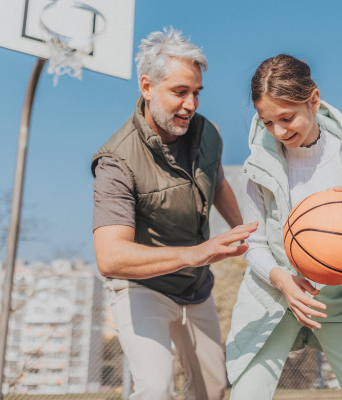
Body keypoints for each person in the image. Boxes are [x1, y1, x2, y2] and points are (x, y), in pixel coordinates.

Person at [91, 27, 256, 400]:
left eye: (197, 92)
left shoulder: (208, 133)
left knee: (212, 392)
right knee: (155, 389)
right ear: (147, 87)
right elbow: (110, 256)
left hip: (195, 289)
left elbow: (218, 184)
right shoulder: (116, 162)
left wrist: (249, 234)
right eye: (179, 92)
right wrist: (195, 254)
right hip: (143, 287)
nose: (191, 104)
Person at [225, 54, 342, 400]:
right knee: (247, 394)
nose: (279, 131)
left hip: (340, 296)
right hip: (277, 292)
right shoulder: (258, 167)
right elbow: (255, 245)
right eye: (267, 123)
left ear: (314, 100)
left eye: (287, 117)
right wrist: (283, 281)